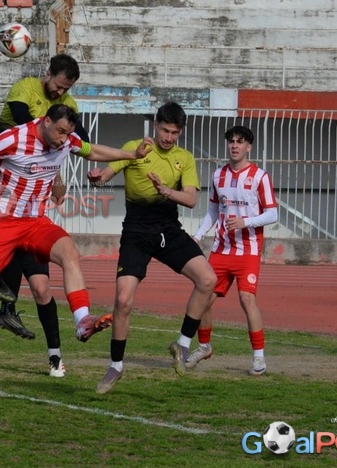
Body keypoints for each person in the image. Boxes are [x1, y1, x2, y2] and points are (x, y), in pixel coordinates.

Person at [0, 105, 154, 374]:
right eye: (60, 131)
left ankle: (82, 321)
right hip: (2, 222)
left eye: (68, 133)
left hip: (35, 222)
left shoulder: (67, 141)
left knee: (69, 254)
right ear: (46, 121)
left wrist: (132, 154)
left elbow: (92, 151)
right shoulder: (15, 137)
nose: (64, 139)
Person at [86, 101, 217, 395]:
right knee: (123, 301)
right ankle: (115, 366)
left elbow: (191, 199)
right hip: (136, 231)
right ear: (155, 125)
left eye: (175, 133)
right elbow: (104, 177)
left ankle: (183, 344)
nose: (169, 137)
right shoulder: (136, 148)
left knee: (208, 279)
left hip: (168, 228)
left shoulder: (184, 158)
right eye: (165, 130)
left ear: (180, 132)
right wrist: (96, 179)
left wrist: (166, 191)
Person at [0, 53, 91, 340]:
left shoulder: (67, 105)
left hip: (36, 159)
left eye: (67, 89)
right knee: (3, 214)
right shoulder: (26, 87)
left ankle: (6, 304)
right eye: (58, 86)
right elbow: (21, 120)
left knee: (24, 223)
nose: (61, 93)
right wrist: (53, 143)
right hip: (5, 148)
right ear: (48, 73)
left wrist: (63, 148)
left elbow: (83, 139)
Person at [0, 178, 72, 378]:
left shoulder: (44, 165)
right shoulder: (0, 162)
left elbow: (58, 197)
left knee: (41, 289)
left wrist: (56, 172)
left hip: (32, 233)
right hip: (1, 237)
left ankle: (55, 355)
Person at [188, 125, 278, 376]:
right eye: (231, 141)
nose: (235, 145)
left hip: (248, 251)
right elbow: (213, 210)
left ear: (249, 147)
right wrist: (198, 235)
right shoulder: (218, 175)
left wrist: (245, 222)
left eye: (240, 141)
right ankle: (204, 347)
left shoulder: (260, 176)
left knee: (247, 299)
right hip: (221, 250)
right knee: (203, 297)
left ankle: (258, 357)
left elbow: (273, 214)